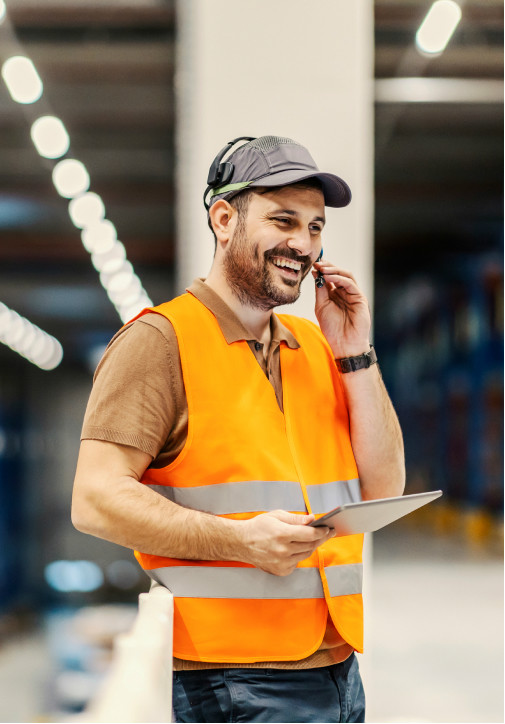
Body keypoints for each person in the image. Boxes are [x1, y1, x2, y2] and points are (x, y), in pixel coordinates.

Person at [72, 135, 405, 723]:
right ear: (223, 219)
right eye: (284, 221)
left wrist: (355, 350)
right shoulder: (161, 342)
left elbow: (383, 488)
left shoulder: (313, 347)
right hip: (232, 680)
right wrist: (240, 541)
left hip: (335, 668)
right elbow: (96, 499)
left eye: (315, 228)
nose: (302, 245)